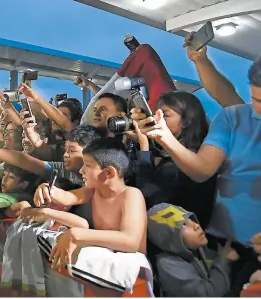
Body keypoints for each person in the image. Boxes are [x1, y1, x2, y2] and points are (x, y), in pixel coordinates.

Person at [132, 58, 261, 296]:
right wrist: (152, 142)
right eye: (256, 100)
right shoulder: (233, 119)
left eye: (167, 115)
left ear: (187, 120)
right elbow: (201, 170)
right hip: (221, 242)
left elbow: (154, 197)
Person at [38, 137, 147, 270]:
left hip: (132, 272)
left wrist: (76, 234)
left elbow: (130, 241)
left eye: (88, 165)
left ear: (108, 172)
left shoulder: (131, 195)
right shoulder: (94, 190)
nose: (81, 171)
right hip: (103, 263)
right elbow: (66, 197)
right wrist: (46, 189)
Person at [134, 91, 216, 226]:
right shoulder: (195, 152)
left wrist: (144, 147)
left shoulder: (184, 162)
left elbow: (148, 197)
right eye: (155, 114)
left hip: (180, 238)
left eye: (164, 115)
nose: (156, 119)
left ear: (187, 121)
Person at [147, 203, 238, 297]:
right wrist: (223, 260)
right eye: (184, 225)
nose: (196, 226)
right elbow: (209, 295)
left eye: (190, 219)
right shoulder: (168, 265)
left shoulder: (195, 248)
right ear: (168, 238)